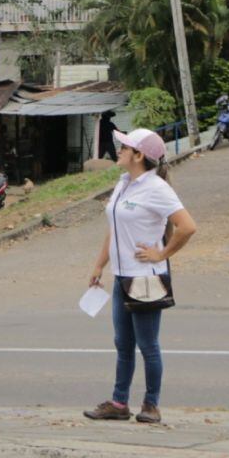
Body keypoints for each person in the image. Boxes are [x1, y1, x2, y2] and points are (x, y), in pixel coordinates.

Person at [84, 128, 196, 424]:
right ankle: (119, 403)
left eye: (125, 146)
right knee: (123, 343)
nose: (119, 149)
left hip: (146, 278)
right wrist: (99, 265)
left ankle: (151, 405)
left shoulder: (157, 188)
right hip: (122, 277)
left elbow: (187, 226)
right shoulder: (124, 183)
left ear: (139, 155)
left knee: (148, 346)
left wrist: (162, 254)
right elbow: (115, 229)